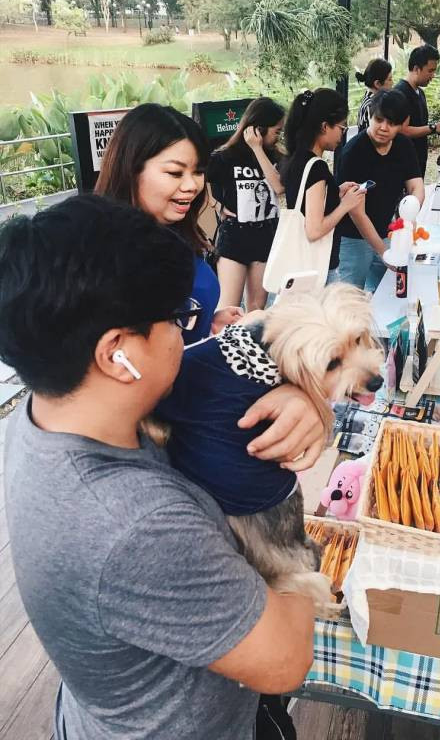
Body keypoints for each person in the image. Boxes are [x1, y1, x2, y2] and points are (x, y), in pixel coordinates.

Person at [0, 195, 328, 740]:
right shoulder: (137, 525)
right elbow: (286, 659)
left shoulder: (43, 416)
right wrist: (290, 544)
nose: (190, 336)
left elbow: (216, 396)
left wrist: (302, 400)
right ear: (116, 354)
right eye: (180, 319)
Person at [95, 103, 241, 343]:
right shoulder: (105, 258)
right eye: (175, 173)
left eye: (198, 171)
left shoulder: (179, 233)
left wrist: (205, 320)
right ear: (131, 169)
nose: (192, 185)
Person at [336, 89, 425, 291]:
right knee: (349, 298)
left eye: (392, 123)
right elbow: (356, 212)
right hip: (353, 238)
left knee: (390, 291)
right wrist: (383, 252)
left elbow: (416, 185)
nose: (383, 128)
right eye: (379, 120)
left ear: (402, 123)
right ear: (370, 115)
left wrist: (410, 215)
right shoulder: (353, 152)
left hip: (387, 230)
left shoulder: (404, 145)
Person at [208, 97, 285, 312]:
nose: (278, 135)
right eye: (276, 130)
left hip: (265, 233)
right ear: (259, 128)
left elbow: (279, 187)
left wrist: (258, 149)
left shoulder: (276, 156)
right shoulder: (226, 156)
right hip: (235, 235)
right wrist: (217, 206)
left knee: (256, 307)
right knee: (228, 308)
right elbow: (201, 182)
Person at [281, 88, 365, 284]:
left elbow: (306, 203)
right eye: (341, 128)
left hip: (301, 264)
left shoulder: (296, 159)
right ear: (325, 126)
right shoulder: (316, 167)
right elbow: (314, 230)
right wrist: (346, 205)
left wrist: (336, 191)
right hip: (318, 268)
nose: (342, 135)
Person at [395, 44, 440, 178]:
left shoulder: (420, 92)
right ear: (416, 69)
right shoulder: (400, 93)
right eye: (430, 71)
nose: (433, 75)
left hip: (418, 162)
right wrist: (433, 128)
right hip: (405, 165)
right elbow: (402, 130)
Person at [355, 58, 393, 133]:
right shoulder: (371, 106)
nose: (392, 83)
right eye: (390, 79)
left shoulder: (369, 100)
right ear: (377, 84)